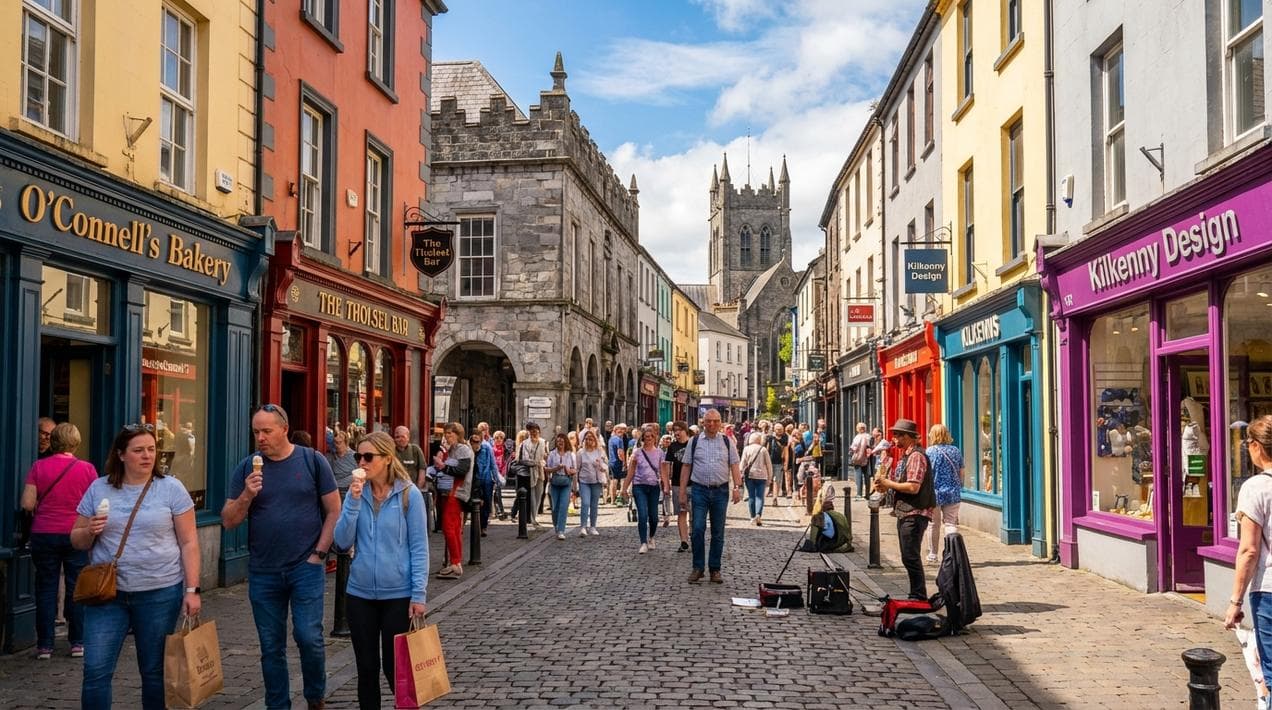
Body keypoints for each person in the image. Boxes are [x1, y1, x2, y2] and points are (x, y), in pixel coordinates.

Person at [73, 424, 200, 710]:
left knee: (154, 672)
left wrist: (192, 589)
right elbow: (76, 539)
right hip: (107, 595)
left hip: (159, 592)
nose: (147, 456)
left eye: (151, 450)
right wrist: (89, 531)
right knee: (95, 671)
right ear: (121, 454)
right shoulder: (99, 487)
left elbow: (189, 542)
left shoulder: (171, 488)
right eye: (138, 450)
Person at [222, 404, 339, 710]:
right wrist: (247, 495)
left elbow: (334, 510)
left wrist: (320, 553)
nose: (260, 437)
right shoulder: (247, 467)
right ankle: (278, 705)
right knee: (271, 647)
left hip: (306, 566)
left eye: (267, 431)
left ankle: (315, 695)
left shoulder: (312, 460)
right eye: (256, 431)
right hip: (264, 571)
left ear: (284, 429)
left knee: (308, 637)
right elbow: (228, 520)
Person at [333, 431, 428, 710]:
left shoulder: (409, 495)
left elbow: (419, 548)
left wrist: (418, 594)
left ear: (387, 458)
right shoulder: (356, 495)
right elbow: (342, 541)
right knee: (366, 669)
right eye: (357, 456)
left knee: (395, 669)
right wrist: (351, 500)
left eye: (368, 456)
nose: (361, 462)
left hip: (398, 595)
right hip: (360, 593)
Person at [23, 423, 98, 659]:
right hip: (76, 532)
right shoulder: (87, 469)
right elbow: (97, 503)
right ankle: (77, 642)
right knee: (77, 586)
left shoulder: (38, 466)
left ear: (52, 441)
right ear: (76, 442)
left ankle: (44, 645)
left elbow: (26, 503)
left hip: (44, 533)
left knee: (46, 587)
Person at [1228, 415, 1272, 683]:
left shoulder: (1256, 488)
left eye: (1248, 443)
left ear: (1257, 446)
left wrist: (1235, 601)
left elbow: (1249, 551)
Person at [872, 418, 935, 600]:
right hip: (906, 511)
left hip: (915, 512)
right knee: (907, 556)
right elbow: (901, 483)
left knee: (910, 556)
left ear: (909, 437)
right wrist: (886, 486)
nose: (894, 440)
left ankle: (918, 594)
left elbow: (913, 487)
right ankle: (916, 593)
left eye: (898, 436)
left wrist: (888, 483)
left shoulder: (916, 456)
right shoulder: (907, 456)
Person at [678, 409, 741, 584]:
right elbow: (686, 466)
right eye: (708, 421)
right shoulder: (694, 441)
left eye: (715, 421)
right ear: (703, 422)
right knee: (697, 529)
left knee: (718, 532)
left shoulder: (727, 442)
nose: (712, 424)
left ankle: (715, 569)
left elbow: (734, 464)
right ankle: (698, 567)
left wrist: (737, 486)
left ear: (720, 422)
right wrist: (682, 491)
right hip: (699, 490)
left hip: (720, 491)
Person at [433, 423, 473, 579]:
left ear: (458, 434)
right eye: (446, 433)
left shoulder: (462, 449)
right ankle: (455, 562)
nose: (447, 436)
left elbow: (462, 470)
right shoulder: (451, 449)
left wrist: (442, 466)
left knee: (450, 527)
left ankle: (455, 562)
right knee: (453, 528)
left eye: (450, 433)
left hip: (457, 492)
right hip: (449, 490)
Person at [925, 424, 965, 562]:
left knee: (933, 524)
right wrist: (959, 486)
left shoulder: (930, 452)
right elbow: (961, 472)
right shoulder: (955, 451)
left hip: (934, 493)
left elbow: (926, 473)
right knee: (950, 523)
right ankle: (953, 554)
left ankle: (933, 554)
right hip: (953, 492)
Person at [623, 425, 665, 554]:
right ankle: (643, 542)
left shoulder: (659, 453)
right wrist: (624, 488)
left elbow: (663, 470)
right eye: (646, 437)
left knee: (653, 516)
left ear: (654, 438)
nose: (648, 439)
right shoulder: (637, 453)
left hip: (653, 486)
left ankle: (651, 536)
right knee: (642, 514)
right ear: (642, 439)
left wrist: (666, 486)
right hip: (639, 485)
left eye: (650, 437)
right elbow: (631, 471)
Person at [661, 421, 692, 552]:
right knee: (681, 512)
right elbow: (666, 465)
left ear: (685, 430)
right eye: (675, 431)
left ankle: (693, 537)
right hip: (677, 484)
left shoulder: (693, 444)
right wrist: (666, 485)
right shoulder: (672, 447)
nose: (677, 433)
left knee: (695, 515)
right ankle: (684, 541)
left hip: (695, 483)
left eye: (679, 430)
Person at [512, 423, 547, 528]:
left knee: (539, 494)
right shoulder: (524, 444)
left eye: (536, 431)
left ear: (539, 432)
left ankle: (534, 516)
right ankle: (531, 519)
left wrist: (544, 460)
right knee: (531, 496)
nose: (534, 433)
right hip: (528, 473)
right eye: (532, 431)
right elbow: (522, 459)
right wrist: (535, 463)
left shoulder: (543, 442)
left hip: (540, 471)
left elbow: (545, 456)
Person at [545, 433, 577, 540]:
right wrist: (556, 468)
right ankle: (556, 525)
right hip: (555, 482)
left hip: (566, 482)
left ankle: (561, 530)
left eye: (562, 441)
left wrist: (568, 470)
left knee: (564, 506)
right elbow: (546, 468)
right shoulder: (552, 454)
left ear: (565, 442)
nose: (560, 443)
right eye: (558, 441)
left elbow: (574, 469)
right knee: (555, 507)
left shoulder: (570, 454)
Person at [576, 429, 606, 537]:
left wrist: (600, 465)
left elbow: (605, 467)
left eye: (591, 439)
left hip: (596, 481)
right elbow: (577, 468)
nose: (589, 441)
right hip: (584, 481)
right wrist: (575, 484)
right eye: (587, 439)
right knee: (585, 503)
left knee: (594, 504)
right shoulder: (580, 453)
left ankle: (593, 526)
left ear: (595, 440)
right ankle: (583, 526)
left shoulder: (599, 451)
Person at [739, 432, 773, 526]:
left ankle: (752, 516)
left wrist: (740, 473)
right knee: (760, 496)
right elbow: (769, 465)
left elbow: (742, 462)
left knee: (751, 496)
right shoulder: (763, 449)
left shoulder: (746, 449)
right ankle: (758, 514)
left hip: (750, 476)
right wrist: (769, 477)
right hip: (762, 476)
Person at [327, 430, 358, 495]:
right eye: (335, 442)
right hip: (335, 489)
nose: (337, 445)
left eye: (340, 442)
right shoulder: (331, 456)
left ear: (346, 443)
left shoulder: (355, 456)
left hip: (349, 489)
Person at [848, 422, 873, 499]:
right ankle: (867, 494)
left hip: (857, 458)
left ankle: (859, 494)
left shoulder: (857, 437)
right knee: (867, 476)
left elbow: (853, 448)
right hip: (866, 458)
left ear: (857, 429)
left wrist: (851, 453)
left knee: (858, 476)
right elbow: (871, 446)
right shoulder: (869, 436)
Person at [607, 424, 628, 506]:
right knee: (622, 479)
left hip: (611, 461)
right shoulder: (619, 440)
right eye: (619, 431)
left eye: (622, 431)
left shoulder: (611, 439)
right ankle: (620, 497)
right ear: (615, 431)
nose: (621, 432)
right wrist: (624, 462)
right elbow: (620, 452)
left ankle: (612, 500)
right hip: (618, 462)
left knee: (613, 480)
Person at [491, 430, 509, 519]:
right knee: (497, 492)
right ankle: (499, 511)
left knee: (498, 492)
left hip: (502, 473)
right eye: (496, 438)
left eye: (501, 438)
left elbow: (507, 461)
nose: (499, 439)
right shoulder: (491, 449)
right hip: (494, 473)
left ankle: (498, 510)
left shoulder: (505, 450)